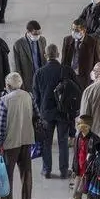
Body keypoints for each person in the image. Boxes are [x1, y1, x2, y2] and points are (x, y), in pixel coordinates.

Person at [0, 72, 37, 199]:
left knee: (7, 174)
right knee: (27, 172)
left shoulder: (4, 100)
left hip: (10, 142)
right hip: (27, 139)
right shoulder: (29, 96)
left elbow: (0, 125)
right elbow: (36, 115)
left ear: (7, 85)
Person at [34, 44, 76, 179]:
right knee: (63, 141)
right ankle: (64, 170)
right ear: (58, 54)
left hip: (46, 112)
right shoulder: (66, 71)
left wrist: (39, 112)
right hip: (63, 112)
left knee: (46, 142)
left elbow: (36, 96)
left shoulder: (39, 72)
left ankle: (46, 170)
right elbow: (74, 92)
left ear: (46, 56)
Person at [66, 115, 99, 199]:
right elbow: (76, 155)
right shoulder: (78, 137)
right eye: (77, 123)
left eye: (80, 123)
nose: (78, 125)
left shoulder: (94, 139)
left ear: (87, 126)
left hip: (90, 173)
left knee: (90, 198)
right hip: (79, 172)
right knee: (76, 194)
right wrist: (74, 168)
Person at [61, 18, 100, 92]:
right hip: (70, 77)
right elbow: (64, 60)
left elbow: (97, 62)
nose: (74, 32)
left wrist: (95, 77)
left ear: (84, 30)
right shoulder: (67, 40)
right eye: (72, 29)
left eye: (77, 30)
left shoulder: (93, 42)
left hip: (85, 78)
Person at [13, 20, 47, 93]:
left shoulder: (42, 40)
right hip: (27, 81)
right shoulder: (18, 45)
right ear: (28, 32)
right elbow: (17, 67)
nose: (37, 35)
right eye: (35, 33)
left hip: (41, 79)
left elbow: (45, 60)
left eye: (39, 33)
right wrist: (20, 85)